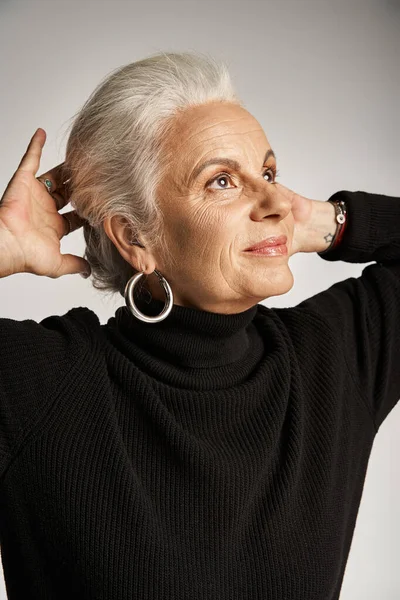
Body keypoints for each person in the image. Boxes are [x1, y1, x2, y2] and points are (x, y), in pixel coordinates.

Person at [0, 51, 399, 600]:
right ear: (136, 237)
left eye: (268, 172)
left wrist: (328, 221)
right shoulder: (40, 385)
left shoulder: (334, 358)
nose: (274, 200)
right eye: (221, 182)